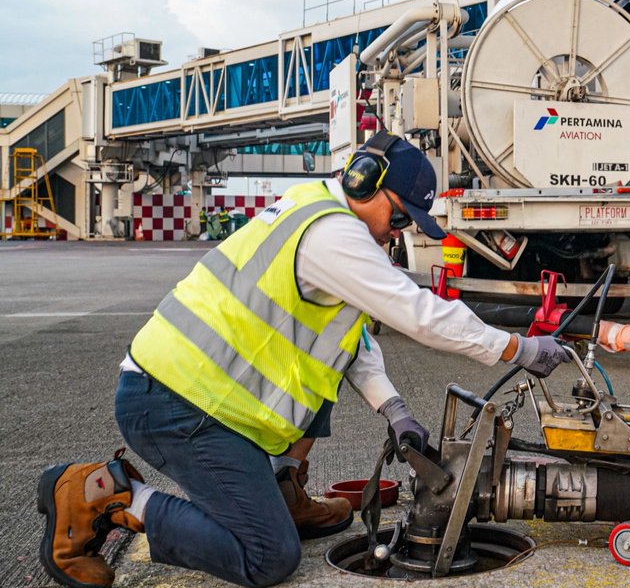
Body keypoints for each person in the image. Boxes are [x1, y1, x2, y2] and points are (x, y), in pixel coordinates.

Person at [37, 131, 571, 588]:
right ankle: (110, 496)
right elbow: (420, 313)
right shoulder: (332, 234)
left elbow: (348, 342)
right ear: (363, 179)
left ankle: (281, 488)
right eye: (398, 217)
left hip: (197, 397)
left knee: (320, 370)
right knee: (268, 557)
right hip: (178, 407)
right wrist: (521, 348)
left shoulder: (312, 208)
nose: (397, 232)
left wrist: (394, 409)